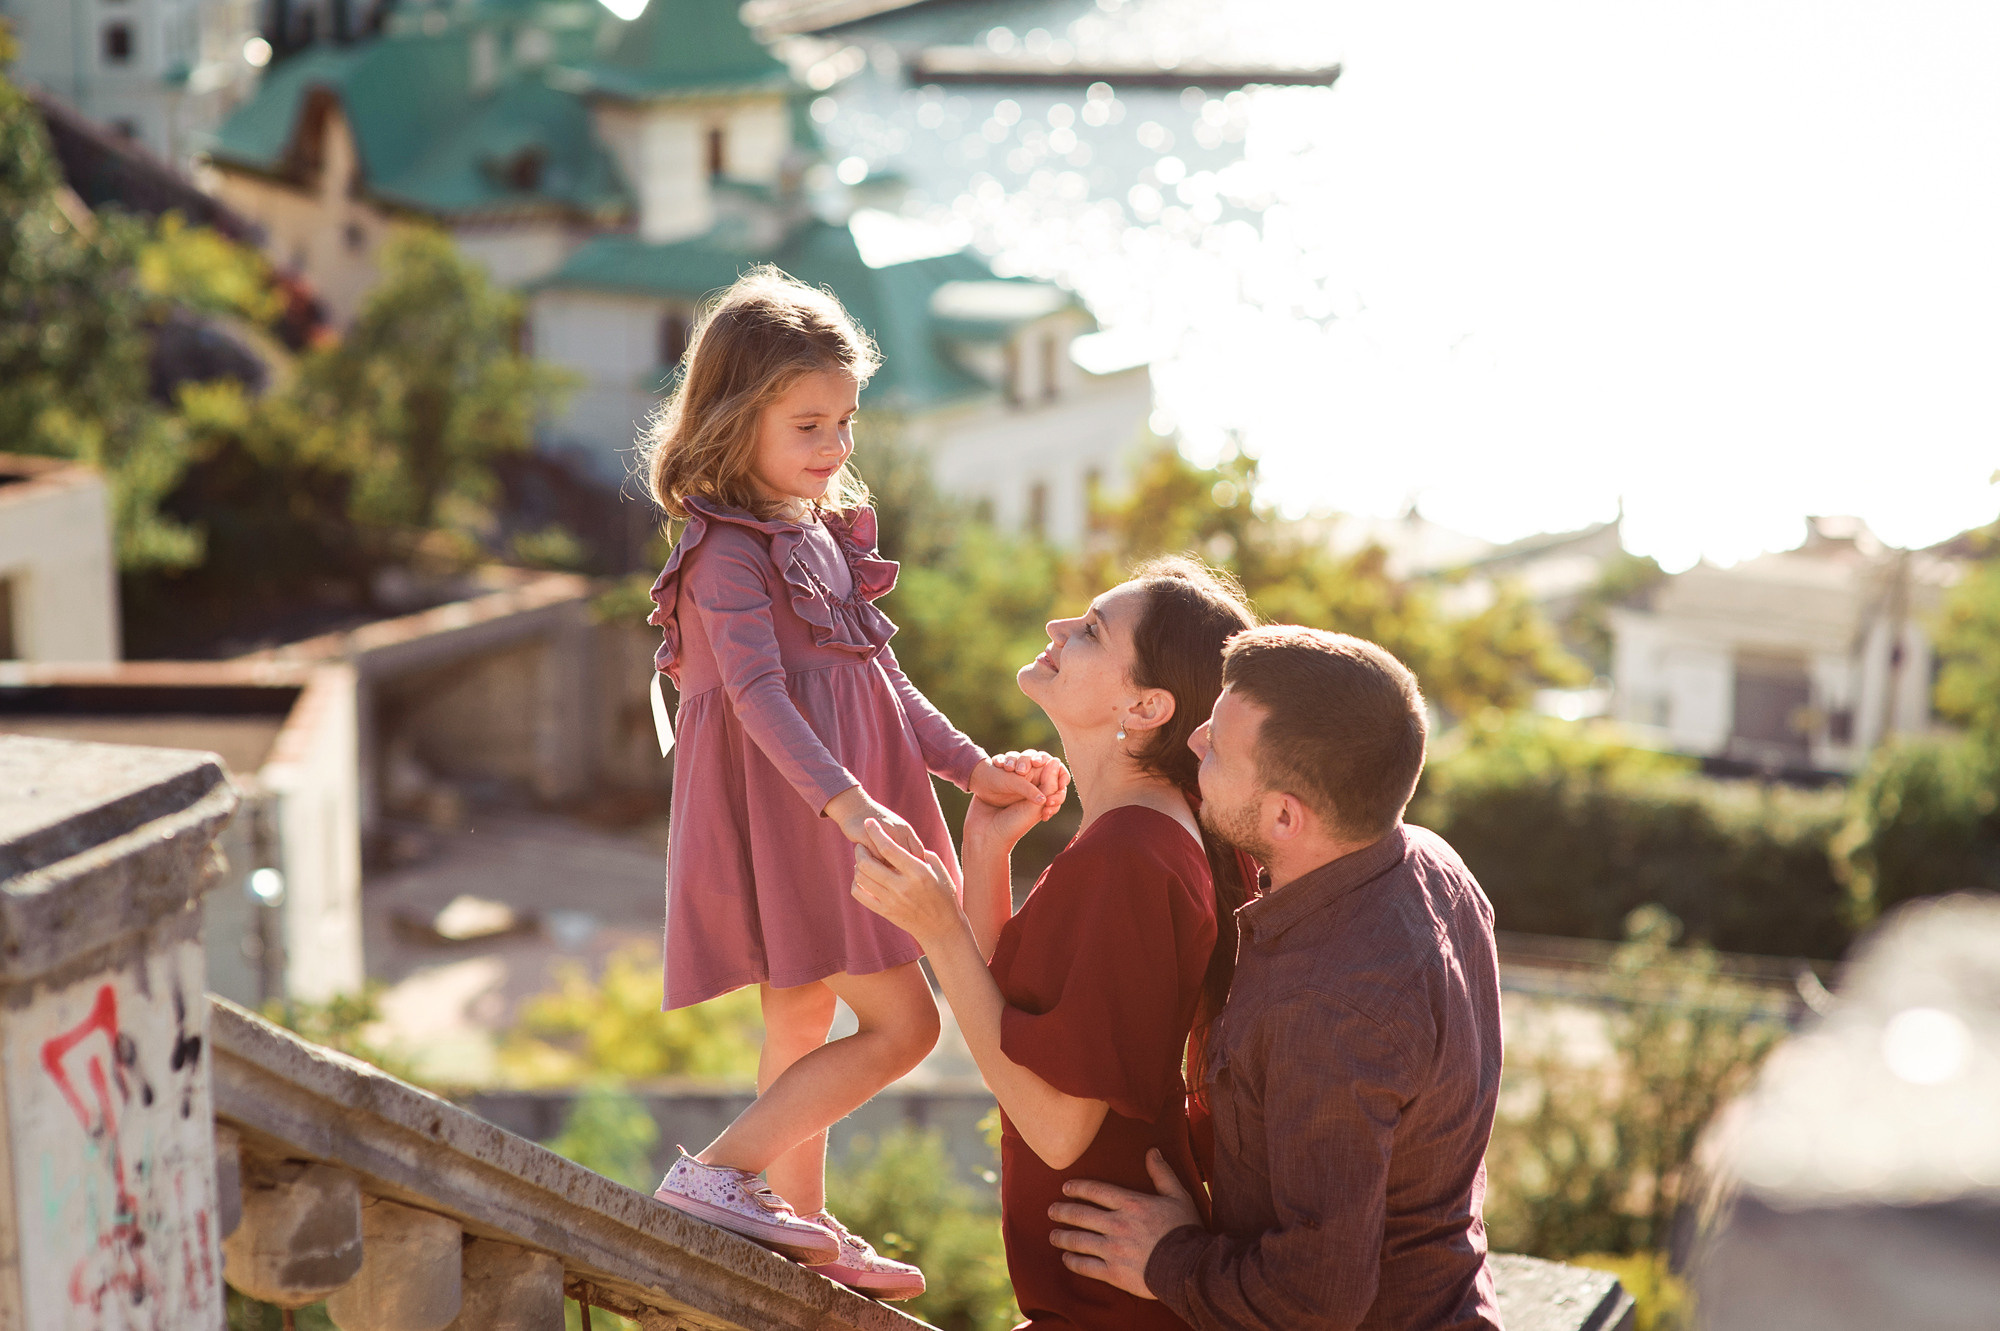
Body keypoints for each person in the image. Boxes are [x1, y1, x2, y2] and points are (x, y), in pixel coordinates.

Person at [639, 266, 1066, 1299]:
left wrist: (972, 767)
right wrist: (846, 804)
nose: (835, 449)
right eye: (809, 426)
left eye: (845, 423)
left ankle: (796, 1217)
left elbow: (884, 684)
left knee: (794, 1024)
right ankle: (719, 1174)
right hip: (805, 823)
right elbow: (752, 697)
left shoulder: (819, 534)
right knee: (907, 1025)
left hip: (834, 813)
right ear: (734, 421)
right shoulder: (724, 557)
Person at [1047, 626, 1505, 1331]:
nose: (1196, 739)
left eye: (1221, 748)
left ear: (1286, 816)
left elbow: (1314, 1300)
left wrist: (1167, 1256)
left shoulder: (1326, 1010)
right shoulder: (1428, 859)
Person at [852, 558, 1258, 1329]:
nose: (1057, 628)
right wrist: (984, 857)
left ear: (1145, 705)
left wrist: (939, 927)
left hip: (1112, 1309)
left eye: (1092, 630)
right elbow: (1027, 1021)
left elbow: (1059, 1126)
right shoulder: (1147, 831)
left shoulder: (1131, 855)